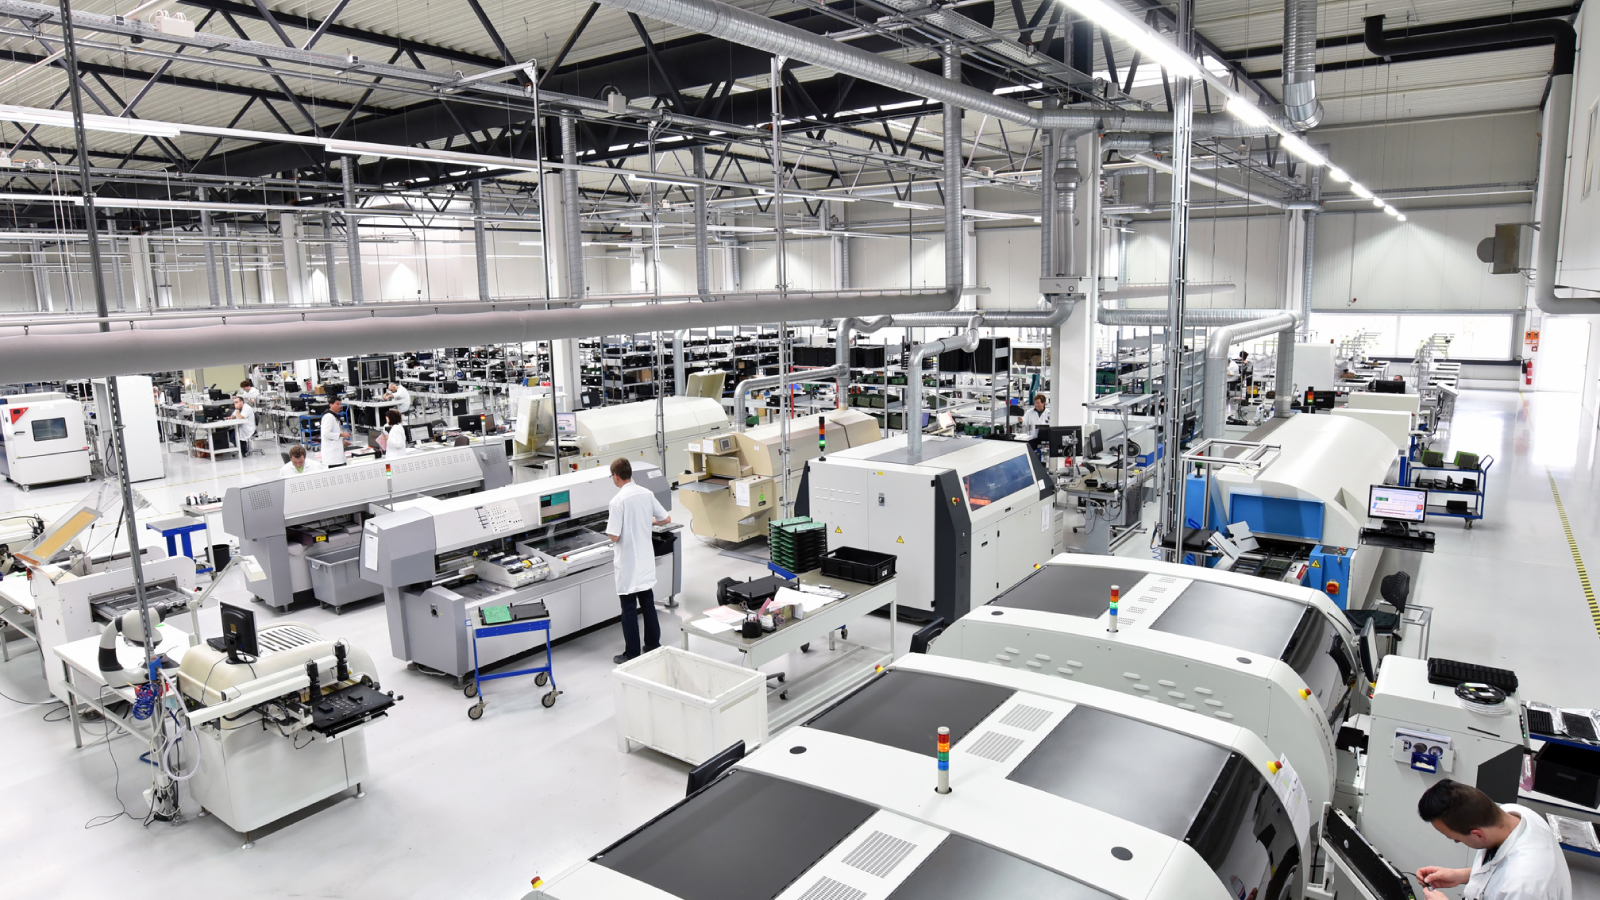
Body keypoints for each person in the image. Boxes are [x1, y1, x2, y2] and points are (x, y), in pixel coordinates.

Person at [1414, 779, 1571, 900]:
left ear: (1478, 835)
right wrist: (1461, 875)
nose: (1455, 841)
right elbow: (1501, 868)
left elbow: (1512, 882)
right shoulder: (1512, 813)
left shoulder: (1523, 887)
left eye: (1456, 839)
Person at [605, 457, 671, 664]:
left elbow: (614, 536)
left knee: (629, 609)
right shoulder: (646, 493)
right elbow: (666, 519)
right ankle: (652, 645)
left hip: (628, 563)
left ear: (616, 476)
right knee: (648, 604)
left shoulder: (617, 501)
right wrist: (647, 520)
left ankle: (631, 653)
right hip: (644, 560)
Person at [321, 398, 350, 467]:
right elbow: (326, 434)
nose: (340, 406)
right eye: (337, 404)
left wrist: (342, 442)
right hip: (332, 457)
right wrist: (341, 435)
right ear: (331, 405)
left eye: (340, 404)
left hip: (336, 454)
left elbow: (333, 433)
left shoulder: (334, 416)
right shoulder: (329, 417)